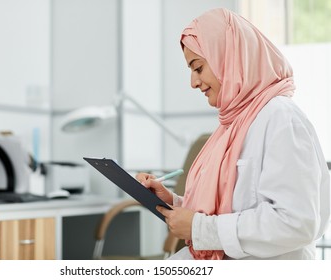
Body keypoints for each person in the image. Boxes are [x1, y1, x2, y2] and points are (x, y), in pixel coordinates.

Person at [136, 8, 330, 260]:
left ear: (228, 59)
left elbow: (295, 223)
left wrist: (199, 228)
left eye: (198, 68)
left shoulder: (280, 118)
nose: (193, 82)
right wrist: (175, 203)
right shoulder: (234, 123)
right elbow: (234, 206)